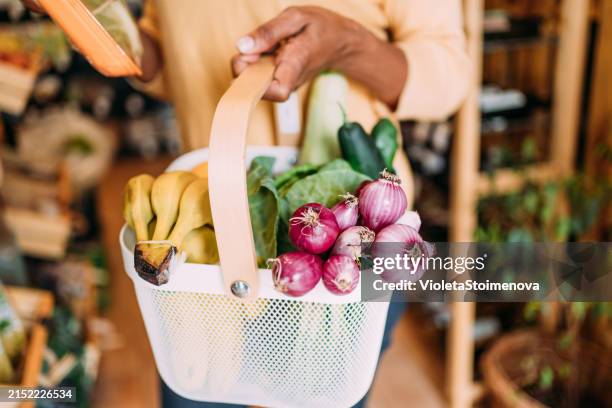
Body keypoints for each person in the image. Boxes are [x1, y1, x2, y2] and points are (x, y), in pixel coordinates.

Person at [23, 1, 470, 407]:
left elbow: (448, 74)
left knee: (322, 395)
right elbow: (170, 56)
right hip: (214, 236)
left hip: (346, 243)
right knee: (199, 393)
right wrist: (84, 19)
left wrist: (348, 46)